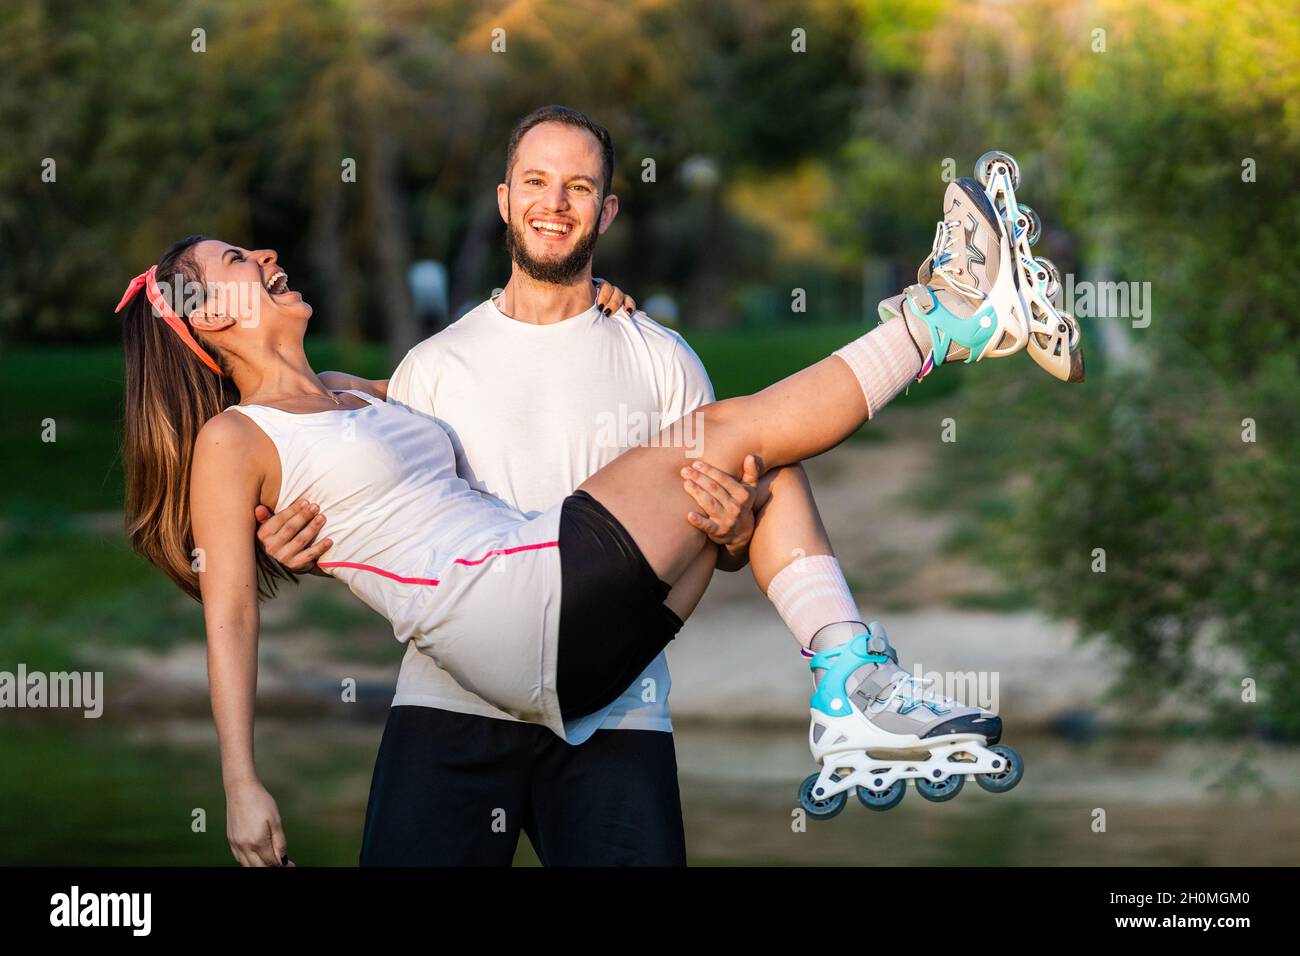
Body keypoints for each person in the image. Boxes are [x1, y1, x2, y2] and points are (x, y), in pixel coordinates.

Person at [120, 158, 1078, 865]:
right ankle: (951, 318)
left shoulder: (359, 390)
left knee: (759, 465)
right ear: (204, 313)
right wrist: (241, 782)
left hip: (578, 646)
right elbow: (231, 609)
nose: (269, 253)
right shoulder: (232, 442)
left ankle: (849, 684)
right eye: (240, 257)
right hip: (514, 615)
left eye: (578, 189)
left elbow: (483, 385)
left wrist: (581, 306)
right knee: (732, 430)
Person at [259, 106, 761, 866]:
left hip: (615, 711)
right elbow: (373, 505)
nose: (554, 204)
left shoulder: (664, 359)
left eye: (579, 187)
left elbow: (711, 547)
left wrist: (734, 535)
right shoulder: (431, 369)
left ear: (607, 210)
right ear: (503, 199)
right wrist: (294, 536)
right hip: (448, 705)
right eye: (536, 181)